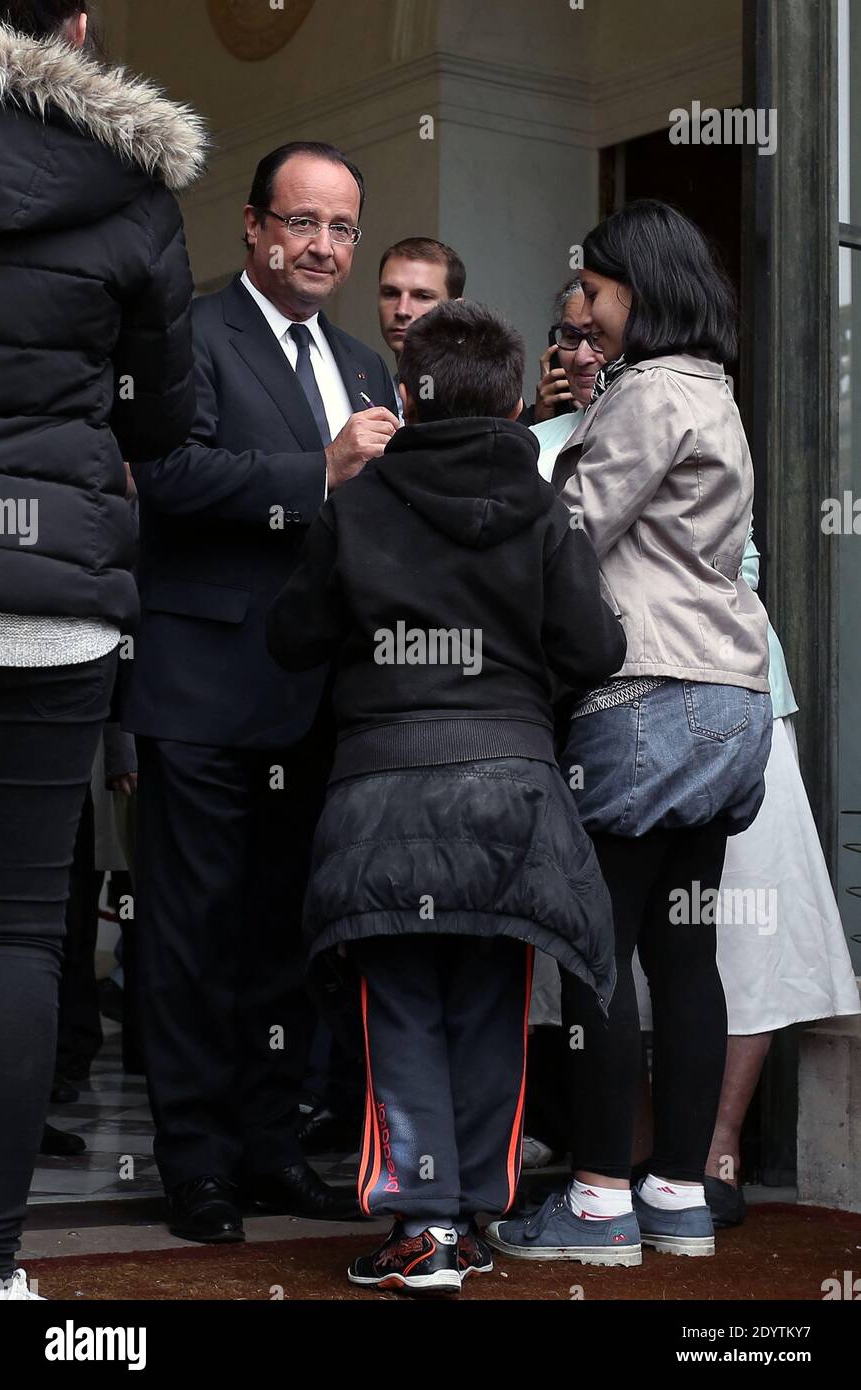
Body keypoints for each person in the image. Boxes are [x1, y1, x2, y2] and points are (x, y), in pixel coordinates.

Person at [267, 299, 626, 1296]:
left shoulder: (360, 509)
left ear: (400, 398)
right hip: (511, 794)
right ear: (511, 399)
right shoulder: (543, 509)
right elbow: (597, 648)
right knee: (486, 1004)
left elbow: (290, 638)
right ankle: (468, 1217)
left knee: (400, 1012)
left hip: (382, 792)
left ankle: (420, 1226)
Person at [124, 141, 400, 1243]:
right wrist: (316, 473)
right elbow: (165, 477)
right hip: (202, 688)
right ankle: (193, 1164)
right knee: (192, 937)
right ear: (251, 226)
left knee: (290, 939)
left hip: (321, 699)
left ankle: (273, 1148)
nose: (321, 245)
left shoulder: (366, 366)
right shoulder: (190, 332)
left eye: (340, 227)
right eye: (301, 222)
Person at [489, 200, 772, 1267]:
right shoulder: (715, 393)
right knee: (683, 955)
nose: (585, 317)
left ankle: (600, 1199)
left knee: (596, 954)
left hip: (644, 694)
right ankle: (677, 1194)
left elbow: (570, 539)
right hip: (727, 699)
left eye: (596, 295)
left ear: (635, 293)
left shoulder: (646, 392)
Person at [0, 1, 204, 1300]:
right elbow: (163, 417)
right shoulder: (132, 188)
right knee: (21, 929)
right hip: (53, 599)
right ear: (78, 26)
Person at [632, 526, 860, 1225]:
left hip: (734, 697)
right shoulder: (547, 446)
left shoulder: (691, 417)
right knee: (617, 946)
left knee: (746, 930)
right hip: (611, 709)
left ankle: (717, 1152)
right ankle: (635, 1150)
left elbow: (741, 561)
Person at [377, 237, 466, 416]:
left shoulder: (482, 395)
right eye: (391, 293)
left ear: (456, 311)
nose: (402, 310)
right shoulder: (369, 391)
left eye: (423, 296)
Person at [520, 279, 605, 428]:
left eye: (598, 337)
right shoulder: (539, 427)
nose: (580, 358)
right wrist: (543, 424)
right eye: (571, 337)